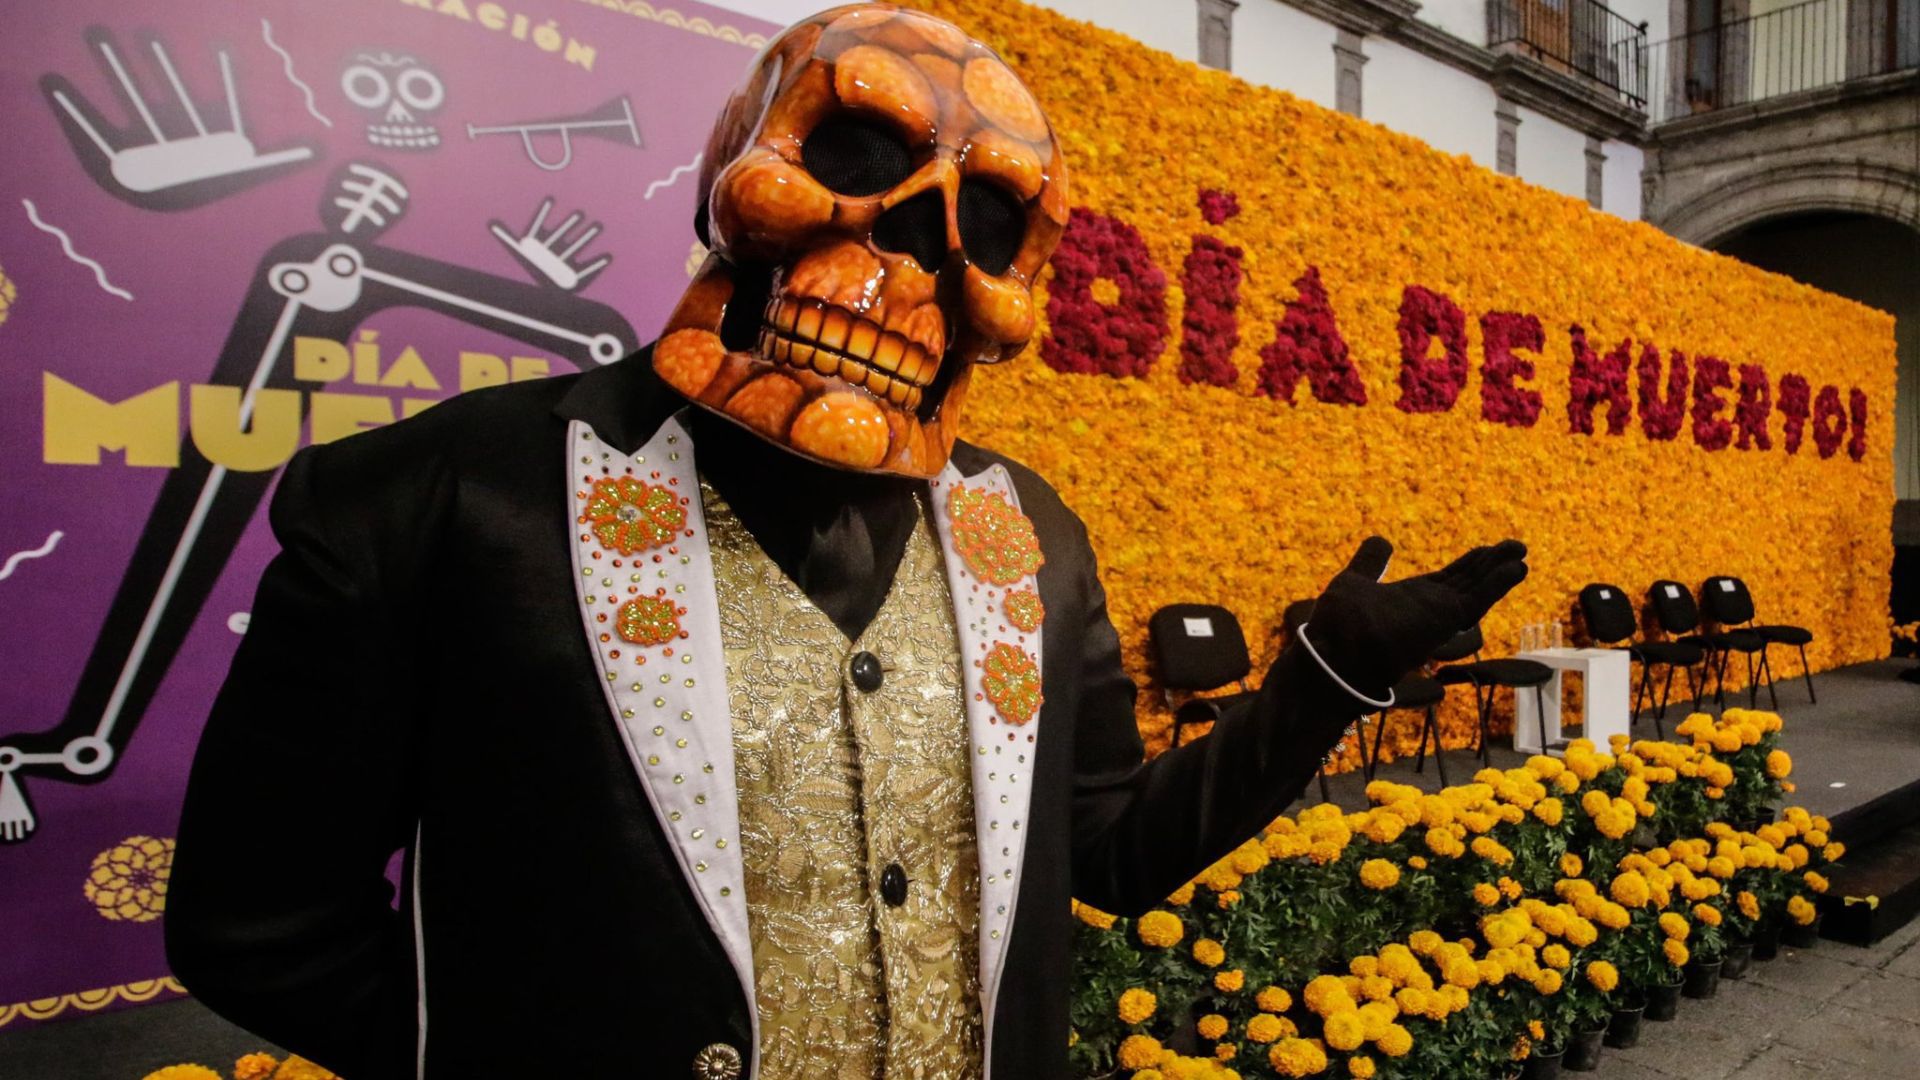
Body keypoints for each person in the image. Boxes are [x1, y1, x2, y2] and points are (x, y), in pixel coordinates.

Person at [166, 5, 1527, 1078]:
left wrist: (1320, 686)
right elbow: (255, 927)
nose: (918, 260)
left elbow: (1108, 851)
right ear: (729, 178)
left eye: (985, 232)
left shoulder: (1031, 538)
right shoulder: (436, 505)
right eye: (852, 165)